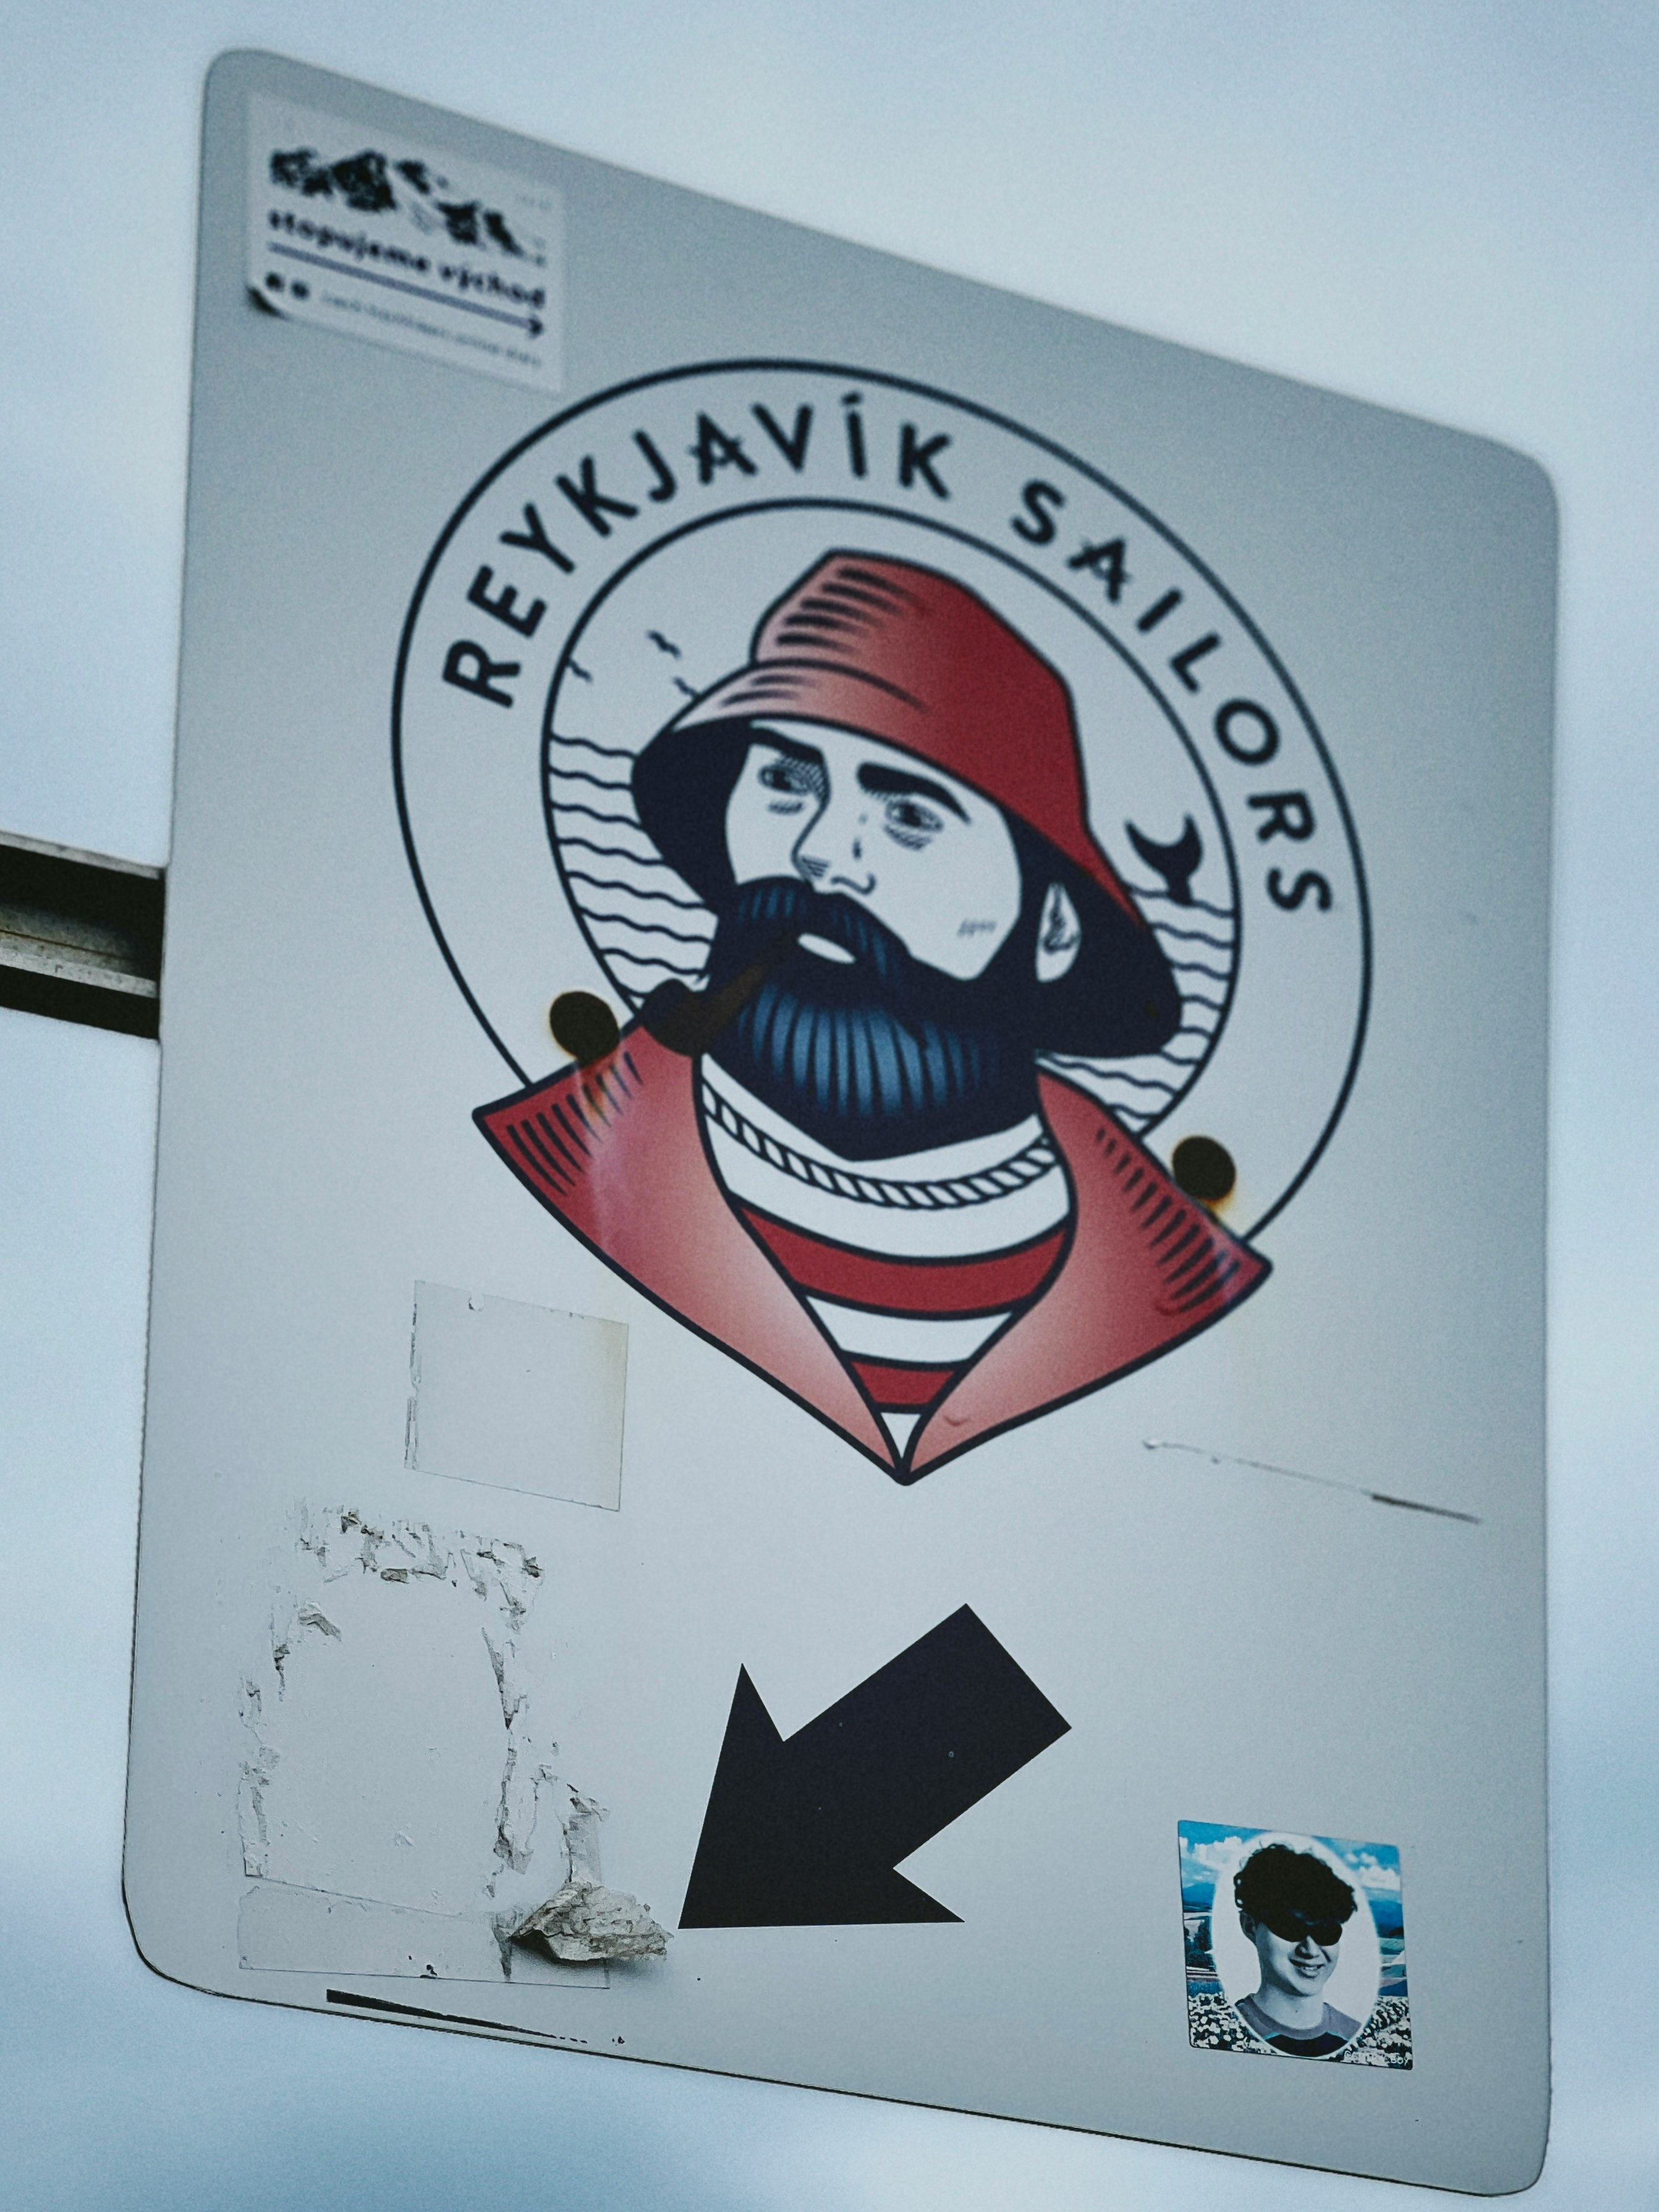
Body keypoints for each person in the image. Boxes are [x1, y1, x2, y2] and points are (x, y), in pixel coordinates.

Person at [477, 552, 1268, 1481]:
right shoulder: (563, 1161)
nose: (821, 855)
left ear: (1052, 925)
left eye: (911, 817)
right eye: (788, 783)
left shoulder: (1164, 1275)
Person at [1231, 1844, 1364, 2057]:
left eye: (1325, 1930)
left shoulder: (1357, 2036)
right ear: (1250, 1926)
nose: (1310, 1950)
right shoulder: (1225, 2030)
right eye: (1290, 1927)